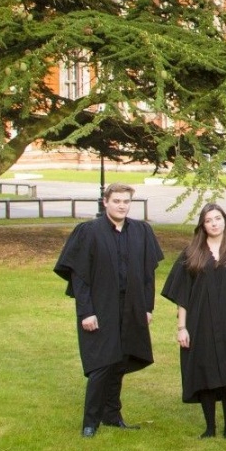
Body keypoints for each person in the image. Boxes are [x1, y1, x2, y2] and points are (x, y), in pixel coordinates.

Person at [54, 183, 164, 437]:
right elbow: (79, 276)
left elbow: (148, 274)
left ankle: (112, 415)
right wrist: (86, 312)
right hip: (101, 307)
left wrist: (147, 307)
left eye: (126, 201)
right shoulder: (89, 232)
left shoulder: (141, 231)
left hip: (132, 306)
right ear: (105, 202)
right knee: (102, 363)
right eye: (117, 201)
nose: (122, 206)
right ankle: (90, 422)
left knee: (120, 361)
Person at [162, 204, 226, 439]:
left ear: (225, 221)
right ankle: (210, 427)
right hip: (201, 323)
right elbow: (183, 295)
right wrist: (182, 328)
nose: (214, 223)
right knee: (204, 371)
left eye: (218, 218)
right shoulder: (192, 253)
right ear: (203, 225)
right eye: (209, 220)